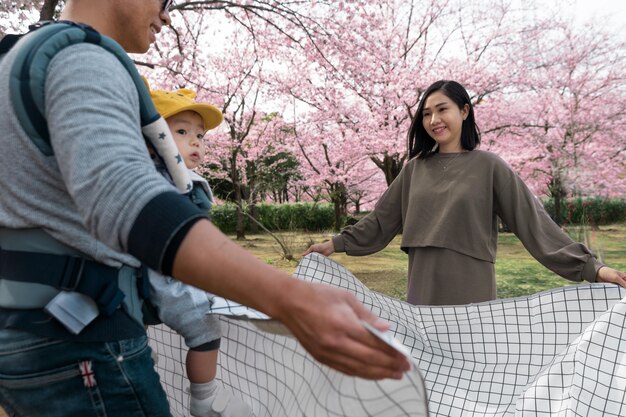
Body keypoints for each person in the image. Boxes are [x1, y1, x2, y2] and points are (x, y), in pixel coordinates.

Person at [0, 1, 409, 416]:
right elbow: (124, 198)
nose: (166, 16)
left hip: (24, 336)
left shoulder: (19, 58)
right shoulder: (82, 58)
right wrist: (291, 298)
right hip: (83, 344)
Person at [305, 80, 626, 306]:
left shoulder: (490, 166)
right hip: (423, 288)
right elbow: (380, 222)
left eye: (442, 109)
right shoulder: (414, 169)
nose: (433, 120)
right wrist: (333, 245)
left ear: (465, 111)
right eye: (426, 113)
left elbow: (535, 224)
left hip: (472, 287)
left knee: (475, 382)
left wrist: (593, 269)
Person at [147, 85, 252, 417]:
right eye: (181, 131)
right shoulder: (159, 179)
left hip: (158, 276)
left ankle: (148, 367)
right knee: (205, 328)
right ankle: (204, 397)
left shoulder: (183, 178)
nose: (195, 141)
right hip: (163, 278)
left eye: (200, 135)